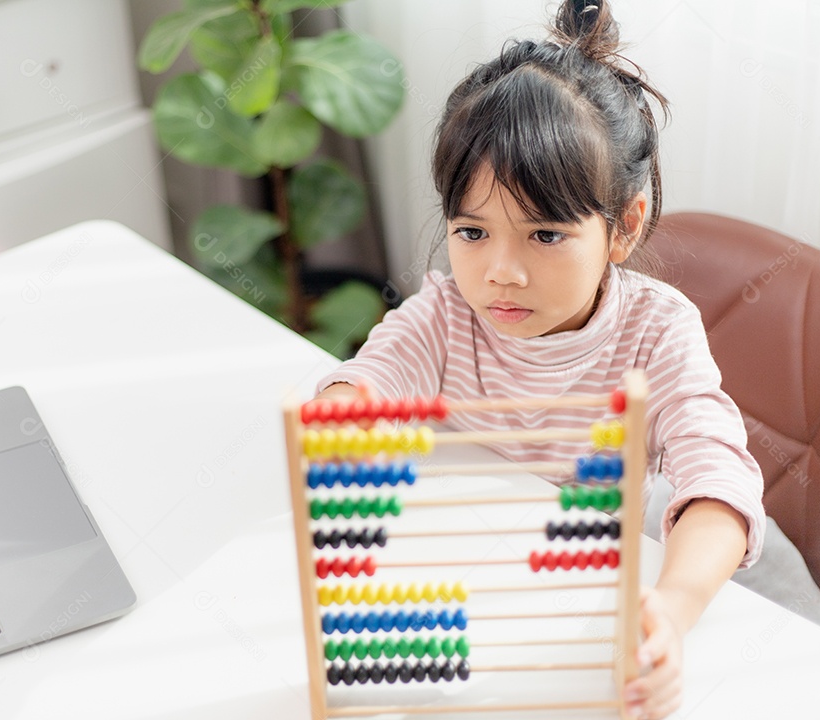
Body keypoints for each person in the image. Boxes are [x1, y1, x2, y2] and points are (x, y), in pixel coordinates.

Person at [314, 1, 766, 718]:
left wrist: (673, 609)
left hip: (577, 599)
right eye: (472, 232)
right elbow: (365, 384)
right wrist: (346, 428)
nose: (501, 273)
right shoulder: (445, 314)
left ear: (624, 227)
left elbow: (718, 482)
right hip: (465, 597)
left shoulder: (656, 333)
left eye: (545, 235)